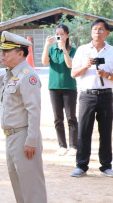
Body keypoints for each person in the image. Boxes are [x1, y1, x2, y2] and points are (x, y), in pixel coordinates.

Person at [0, 31, 47, 203]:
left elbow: (34, 110)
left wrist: (31, 139)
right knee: (19, 187)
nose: (2, 55)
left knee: (32, 189)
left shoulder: (27, 76)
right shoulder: (9, 74)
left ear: (20, 53)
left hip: (23, 135)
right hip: (11, 137)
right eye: (2, 51)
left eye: (6, 52)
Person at [70, 19, 113, 178]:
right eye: (94, 29)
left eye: (101, 30)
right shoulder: (82, 50)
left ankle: (106, 166)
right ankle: (81, 166)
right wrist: (86, 66)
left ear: (107, 33)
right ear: (90, 32)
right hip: (87, 96)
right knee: (84, 131)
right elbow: (73, 74)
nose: (97, 32)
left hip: (105, 95)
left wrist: (107, 75)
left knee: (105, 132)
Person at [41, 24, 78, 156]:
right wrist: (46, 45)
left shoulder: (73, 50)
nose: (60, 36)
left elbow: (70, 65)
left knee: (71, 118)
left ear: (67, 35)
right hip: (54, 87)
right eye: (58, 34)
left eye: (62, 34)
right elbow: (44, 61)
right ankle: (62, 145)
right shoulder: (51, 49)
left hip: (69, 87)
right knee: (58, 118)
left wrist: (64, 50)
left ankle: (74, 146)